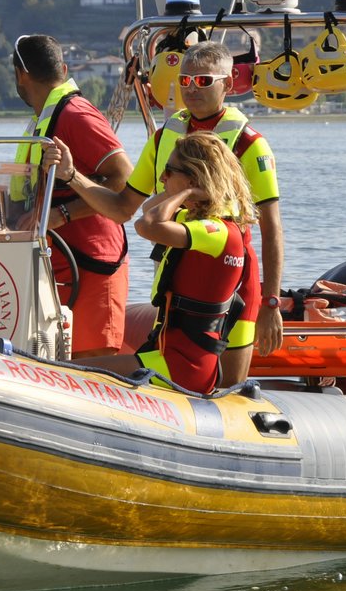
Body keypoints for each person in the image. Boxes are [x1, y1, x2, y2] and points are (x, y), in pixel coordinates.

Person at [51, 40, 285, 365]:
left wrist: (270, 304)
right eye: (184, 80)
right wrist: (73, 176)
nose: (191, 88)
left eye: (203, 81)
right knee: (176, 367)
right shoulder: (163, 138)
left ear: (229, 83)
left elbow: (271, 230)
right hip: (178, 279)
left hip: (232, 283)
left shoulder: (250, 144)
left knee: (225, 386)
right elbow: (122, 208)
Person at [65, 132, 258, 396]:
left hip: (182, 368)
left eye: (169, 171)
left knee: (66, 373)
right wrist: (186, 189)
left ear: (194, 177)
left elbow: (147, 225)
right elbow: (147, 210)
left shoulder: (215, 231)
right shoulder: (197, 222)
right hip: (168, 358)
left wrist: (188, 190)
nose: (162, 178)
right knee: (68, 370)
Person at [7, 34, 134, 358]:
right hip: (58, 263)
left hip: (91, 266)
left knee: (91, 371)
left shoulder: (76, 115)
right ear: (62, 68)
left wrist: (61, 215)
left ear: (20, 75)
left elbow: (123, 176)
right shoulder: (43, 120)